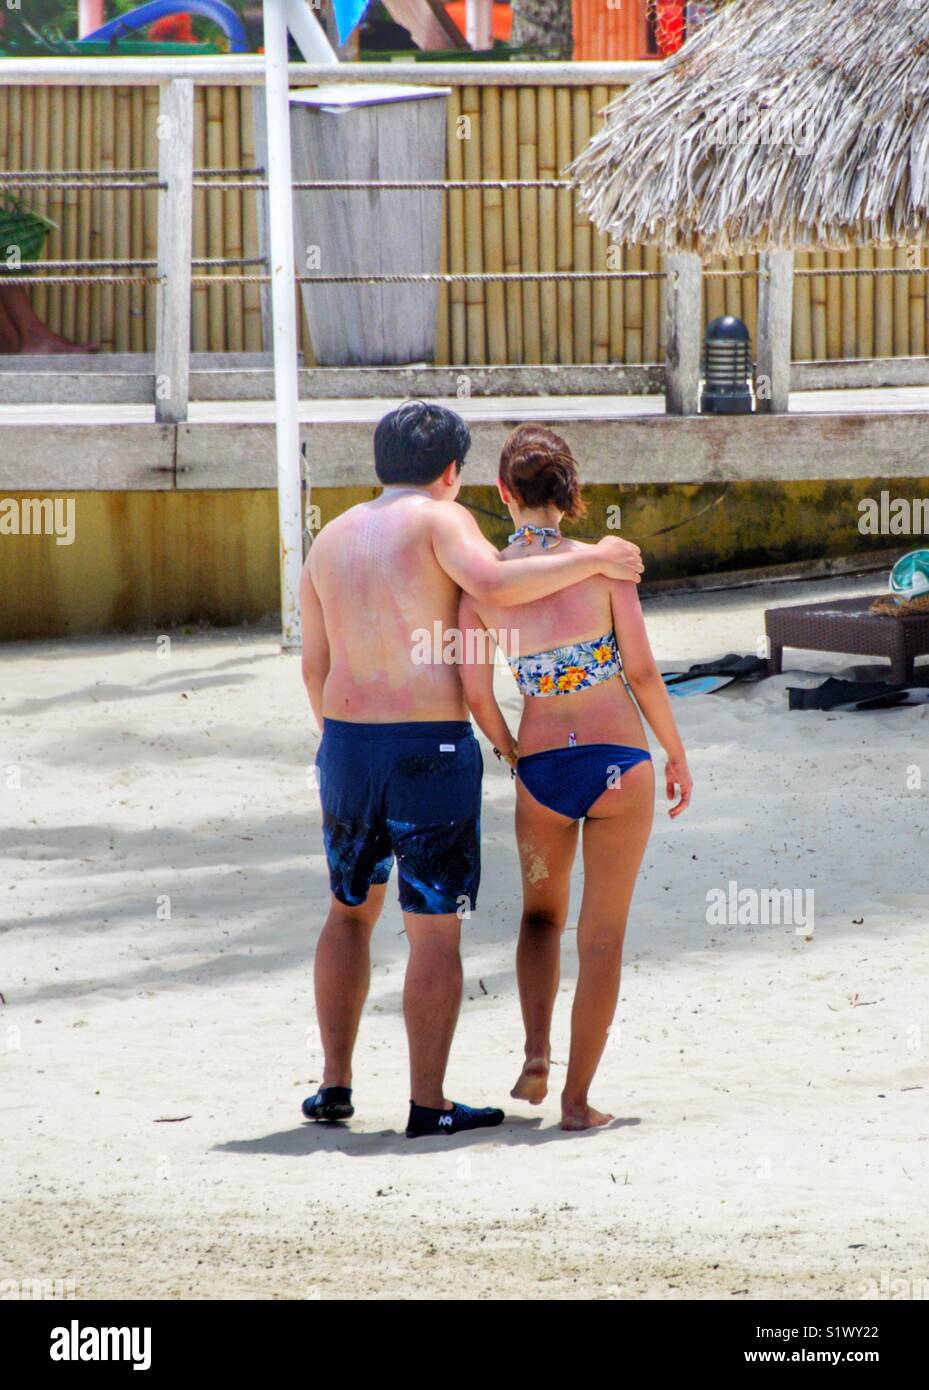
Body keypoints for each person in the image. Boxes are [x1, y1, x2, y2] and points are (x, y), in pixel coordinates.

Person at [298, 402, 645, 1138]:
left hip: (347, 745)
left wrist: (338, 742)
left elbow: (314, 664)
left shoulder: (327, 539)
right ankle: (428, 1103)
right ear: (452, 472)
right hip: (428, 743)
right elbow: (494, 585)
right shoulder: (440, 521)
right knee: (431, 930)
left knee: (347, 911)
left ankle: (334, 1085)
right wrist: (595, 556)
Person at [458, 424, 693, 1132]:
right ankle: (576, 1101)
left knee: (538, 918)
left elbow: (475, 693)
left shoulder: (482, 586)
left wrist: (509, 754)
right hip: (618, 763)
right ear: (571, 493)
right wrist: (675, 752)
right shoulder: (604, 567)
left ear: (503, 492)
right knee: (601, 938)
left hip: (543, 772)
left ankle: (536, 1053)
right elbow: (643, 670)